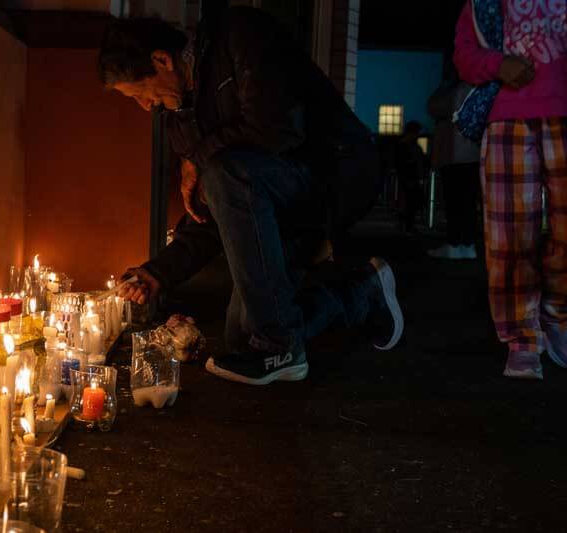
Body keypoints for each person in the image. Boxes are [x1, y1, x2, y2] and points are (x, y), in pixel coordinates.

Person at [98, 7, 404, 385]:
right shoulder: (180, 121)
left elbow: (278, 130)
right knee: (244, 337)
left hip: (330, 173)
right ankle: (362, 292)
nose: (146, 107)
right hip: (269, 207)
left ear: (162, 60)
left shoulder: (238, 37)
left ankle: (280, 345)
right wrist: (157, 273)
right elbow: (213, 215)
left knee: (225, 173)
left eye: (141, 93)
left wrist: (202, 157)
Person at [454, 0, 567, 378]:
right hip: (507, 117)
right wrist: (498, 65)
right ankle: (522, 338)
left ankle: (557, 317)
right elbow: (464, 56)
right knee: (510, 237)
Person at [426, 64, 481, 260]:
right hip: (472, 154)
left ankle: (455, 243)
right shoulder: (477, 87)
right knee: (467, 203)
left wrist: (444, 87)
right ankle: (467, 244)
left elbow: (433, 105)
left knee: (455, 202)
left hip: (455, 155)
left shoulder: (456, 89)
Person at [394, 121, 427, 234]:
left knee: (409, 203)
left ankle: (406, 225)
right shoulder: (410, 146)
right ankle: (408, 225)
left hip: (409, 178)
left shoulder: (407, 146)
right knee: (410, 203)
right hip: (410, 179)